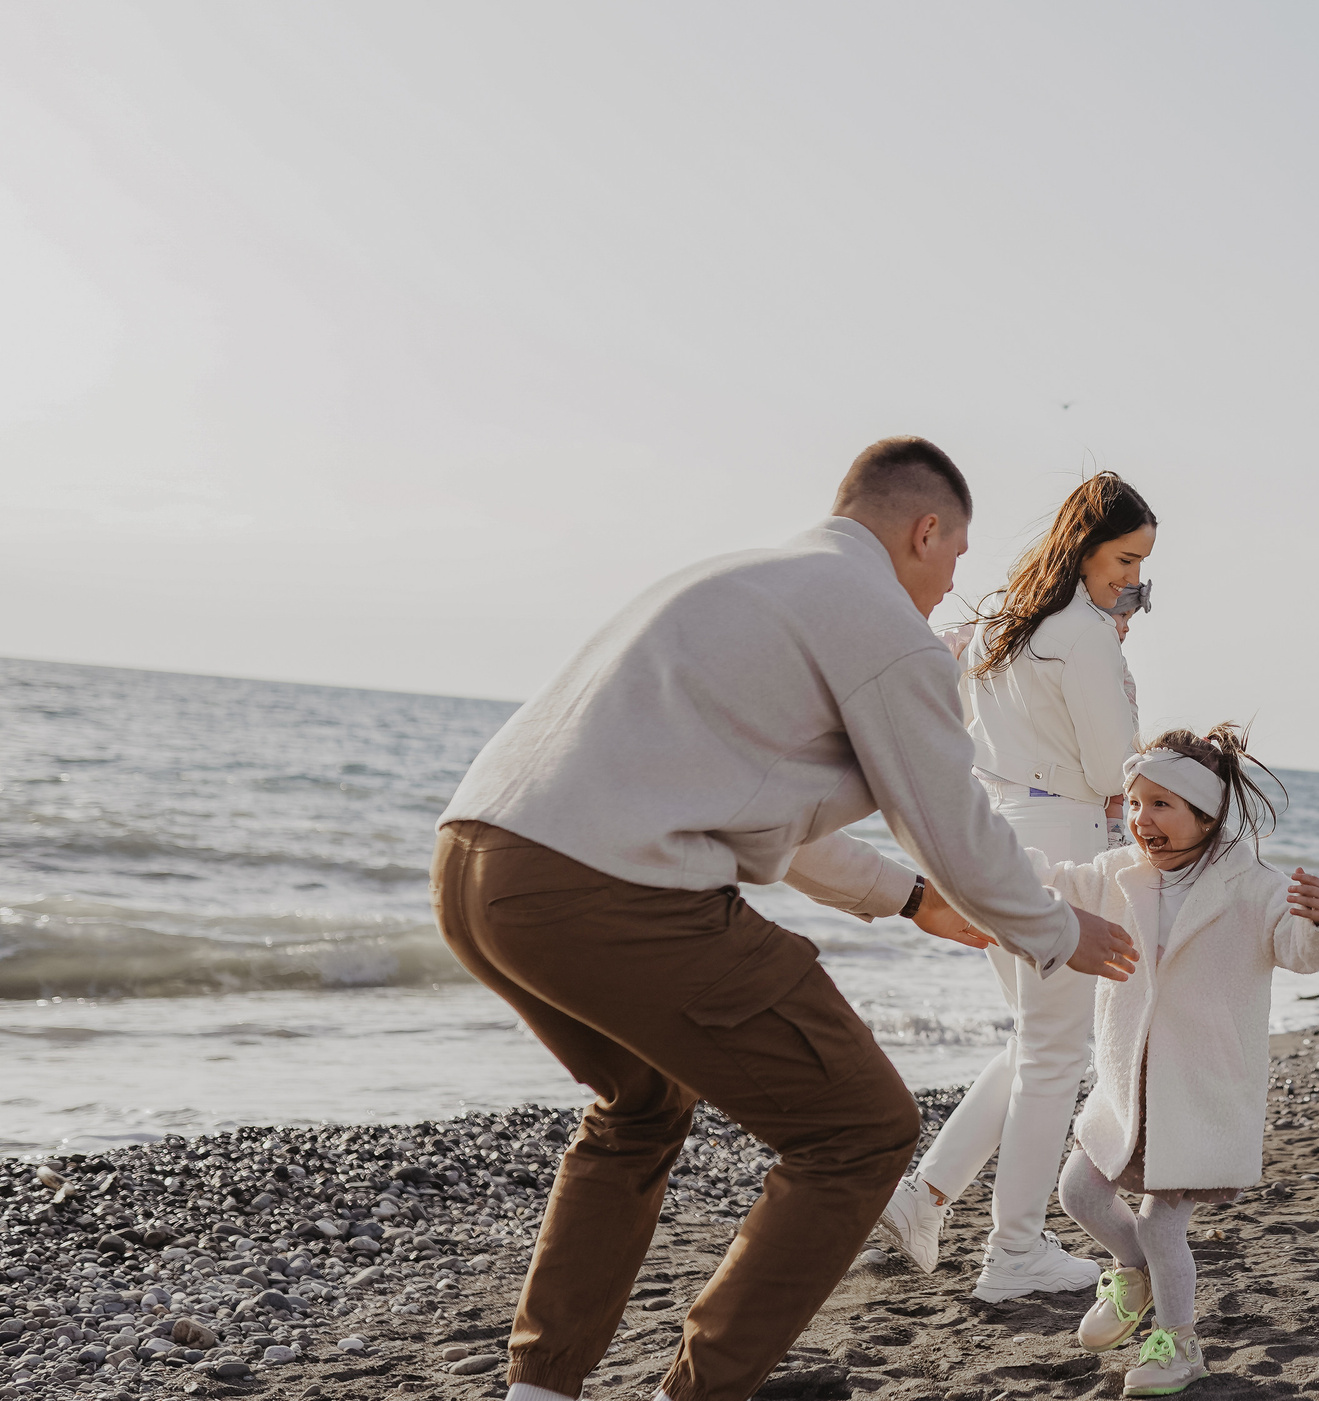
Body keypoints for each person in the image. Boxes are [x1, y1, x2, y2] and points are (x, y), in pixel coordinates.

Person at [431, 437, 1140, 1401]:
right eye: (954, 557)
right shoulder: (878, 618)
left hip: (478, 860)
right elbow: (947, 820)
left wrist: (910, 900)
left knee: (642, 1106)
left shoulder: (750, 578)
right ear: (924, 530)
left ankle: (539, 1389)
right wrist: (1057, 928)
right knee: (863, 1128)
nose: (949, 587)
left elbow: (779, 821)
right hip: (610, 887)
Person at [873, 472, 1159, 1301]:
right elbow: (1113, 768)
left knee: (1036, 1040)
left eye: (1141, 564)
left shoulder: (1002, 623)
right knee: (1054, 1051)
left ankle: (924, 1195)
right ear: (1087, 547)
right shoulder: (1085, 633)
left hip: (996, 835)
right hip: (1065, 834)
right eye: (1125, 558)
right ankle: (1016, 1250)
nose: (1133, 579)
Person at [1049, 725, 1319, 1397]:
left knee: (1161, 1220)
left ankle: (1180, 1342)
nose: (1141, 819)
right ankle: (1136, 1271)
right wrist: (982, 866)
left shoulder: (1251, 885)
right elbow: (1056, 884)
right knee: (1078, 1191)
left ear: (1206, 814)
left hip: (1199, 1090)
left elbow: (1299, 949)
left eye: (1160, 805)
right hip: (1128, 1083)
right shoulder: (1120, 872)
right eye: (1134, 802)